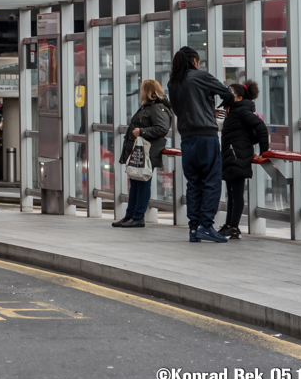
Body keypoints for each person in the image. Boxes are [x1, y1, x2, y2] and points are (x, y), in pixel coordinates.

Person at [167, 46, 235, 243]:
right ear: (193, 60)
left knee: (194, 184)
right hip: (206, 136)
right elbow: (227, 93)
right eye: (198, 60)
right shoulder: (200, 76)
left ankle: (194, 228)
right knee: (211, 182)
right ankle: (206, 225)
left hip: (186, 139)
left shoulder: (173, 83)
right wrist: (220, 106)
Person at [112, 79, 172, 228]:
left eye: (141, 90)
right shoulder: (147, 107)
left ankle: (138, 217)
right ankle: (130, 215)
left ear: (148, 91)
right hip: (140, 152)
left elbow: (162, 128)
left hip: (147, 152)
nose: (139, 93)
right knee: (135, 183)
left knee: (143, 183)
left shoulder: (158, 108)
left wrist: (142, 131)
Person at [218, 81, 269, 239]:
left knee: (236, 193)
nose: (228, 94)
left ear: (239, 97)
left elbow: (260, 127)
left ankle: (233, 227)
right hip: (232, 155)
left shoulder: (241, 111)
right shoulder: (234, 111)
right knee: (231, 193)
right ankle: (229, 225)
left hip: (237, 156)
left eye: (232, 92)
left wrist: (264, 152)